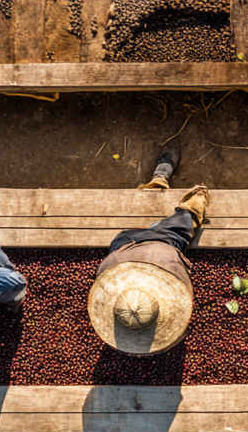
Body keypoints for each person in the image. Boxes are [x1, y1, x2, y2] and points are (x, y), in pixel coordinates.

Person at [88, 146, 209, 355]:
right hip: (124, 241)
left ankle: (166, 181)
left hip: (162, 243)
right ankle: (163, 180)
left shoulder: (171, 266)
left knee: (185, 220)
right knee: (183, 221)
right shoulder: (111, 265)